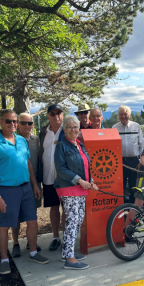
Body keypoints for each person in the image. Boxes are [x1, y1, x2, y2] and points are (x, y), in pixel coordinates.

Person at [0, 110, 49, 275]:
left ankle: (33, 252)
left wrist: (35, 185)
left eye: (14, 121)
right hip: (6, 189)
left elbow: (28, 164)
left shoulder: (21, 140)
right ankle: (5, 259)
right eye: (8, 121)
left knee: (32, 221)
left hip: (26, 187)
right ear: (0, 122)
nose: (12, 124)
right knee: (5, 226)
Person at [54, 115, 99, 270]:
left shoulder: (79, 145)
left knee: (78, 220)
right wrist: (80, 180)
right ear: (65, 129)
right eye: (70, 127)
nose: (73, 130)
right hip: (69, 187)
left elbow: (86, 165)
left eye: (76, 127)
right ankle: (69, 259)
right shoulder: (61, 146)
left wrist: (91, 180)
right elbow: (61, 169)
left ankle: (68, 251)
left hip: (82, 188)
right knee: (72, 221)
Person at [11, 112, 42, 257]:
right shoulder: (11, 140)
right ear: (17, 124)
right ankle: (16, 243)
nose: (26, 126)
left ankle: (31, 242)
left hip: (34, 183)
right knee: (16, 215)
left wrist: (38, 184)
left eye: (29, 123)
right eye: (23, 123)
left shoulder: (37, 140)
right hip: (16, 184)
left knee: (32, 215)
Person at [38, 104, 66, 252]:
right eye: (53, 114)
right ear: (48, 116)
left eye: (58, 113)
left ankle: (67, 237)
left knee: (66, 208)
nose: (56, 116)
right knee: (54, 208)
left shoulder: (68, 129)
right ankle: (56, 237)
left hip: (65, 178)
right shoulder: (43, 132)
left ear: (62, 115)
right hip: (49, 176)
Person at [112, 105, 144, 204]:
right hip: (120, 163)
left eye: (125, 114)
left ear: (129, 115)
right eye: (121, 114)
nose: (123, 116)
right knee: (119, 187)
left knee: (133, 187)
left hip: (134, 162)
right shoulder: (114, 128)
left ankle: (132, 211)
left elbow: (142, 145)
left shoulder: (136, 126)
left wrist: (141, 162)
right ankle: (120, 211)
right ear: (118, 116)